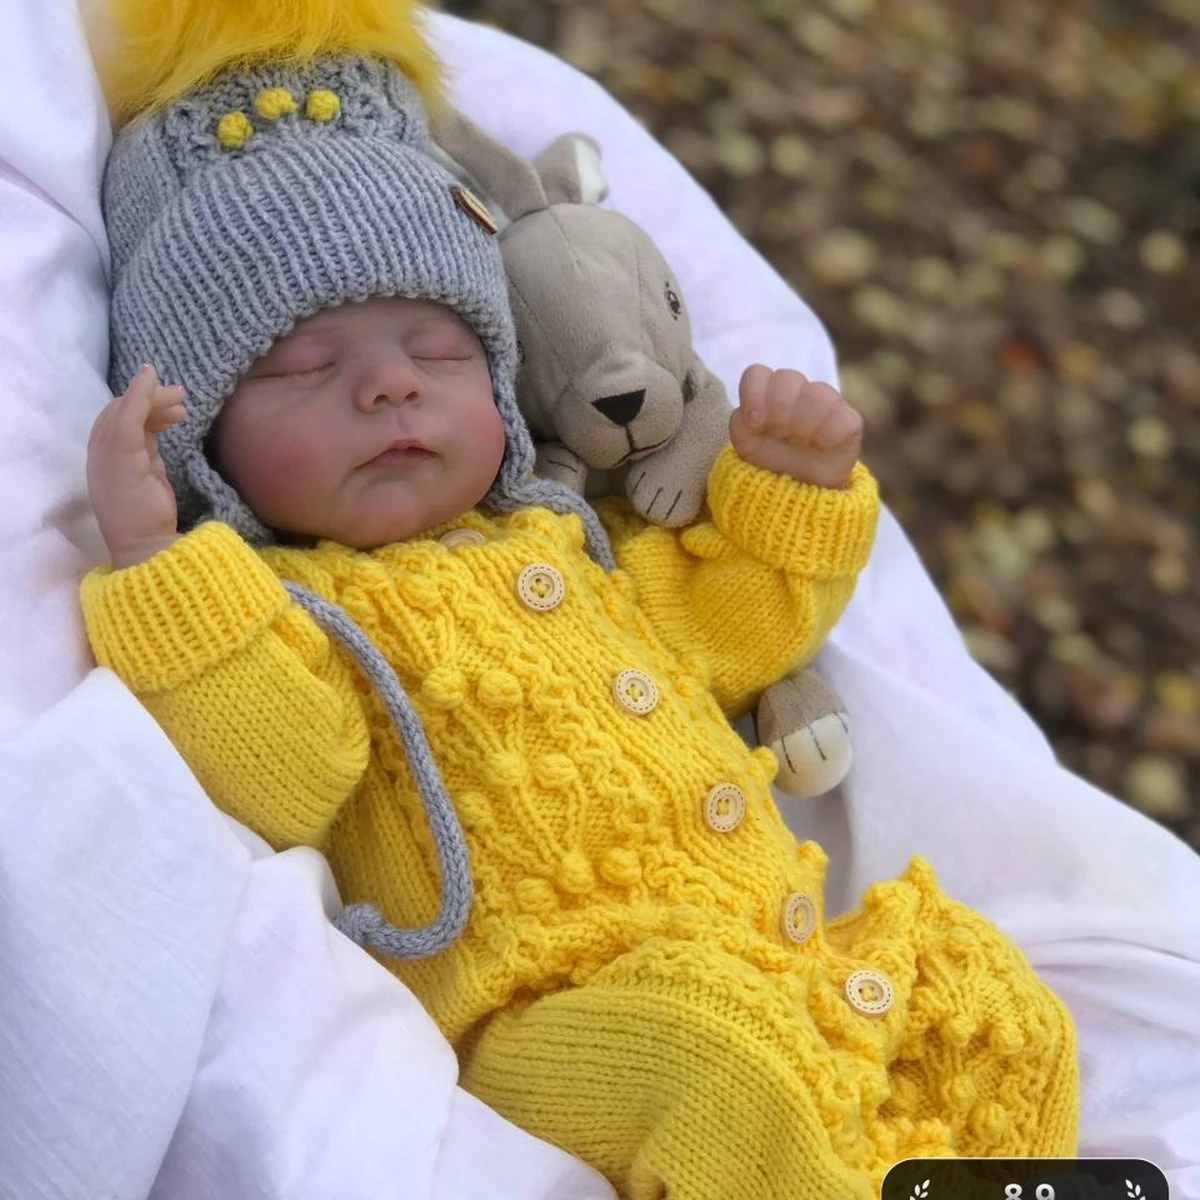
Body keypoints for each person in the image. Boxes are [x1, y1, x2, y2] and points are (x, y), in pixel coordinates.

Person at [79, 7, 1079, 1198]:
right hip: (567, 1015)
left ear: (503, 385)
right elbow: (278, 777)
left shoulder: (571, 540)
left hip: (784, 953)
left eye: (439, 352)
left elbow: (732, 634)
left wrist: (786, 494)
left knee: (995, 1003)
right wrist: (159, 562)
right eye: (305, 366)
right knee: (733, 1080)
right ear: (203, 443)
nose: (390, 385)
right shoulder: (294, 604)